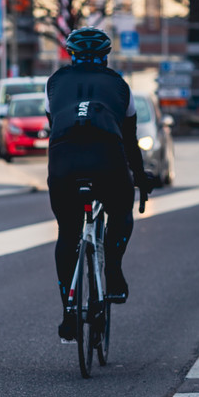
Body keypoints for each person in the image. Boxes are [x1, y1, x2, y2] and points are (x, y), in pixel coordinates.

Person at [45, 27, 155, 341]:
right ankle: (114, 271)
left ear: (70, 54)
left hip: (64, 161)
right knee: (120, 213)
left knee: (67, 232)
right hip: (108, 159)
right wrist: (140, 177)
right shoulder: (121, 86)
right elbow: (130, 142)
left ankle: (68, 311)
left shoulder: (54, 83)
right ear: (106, 57)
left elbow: (55, 125)